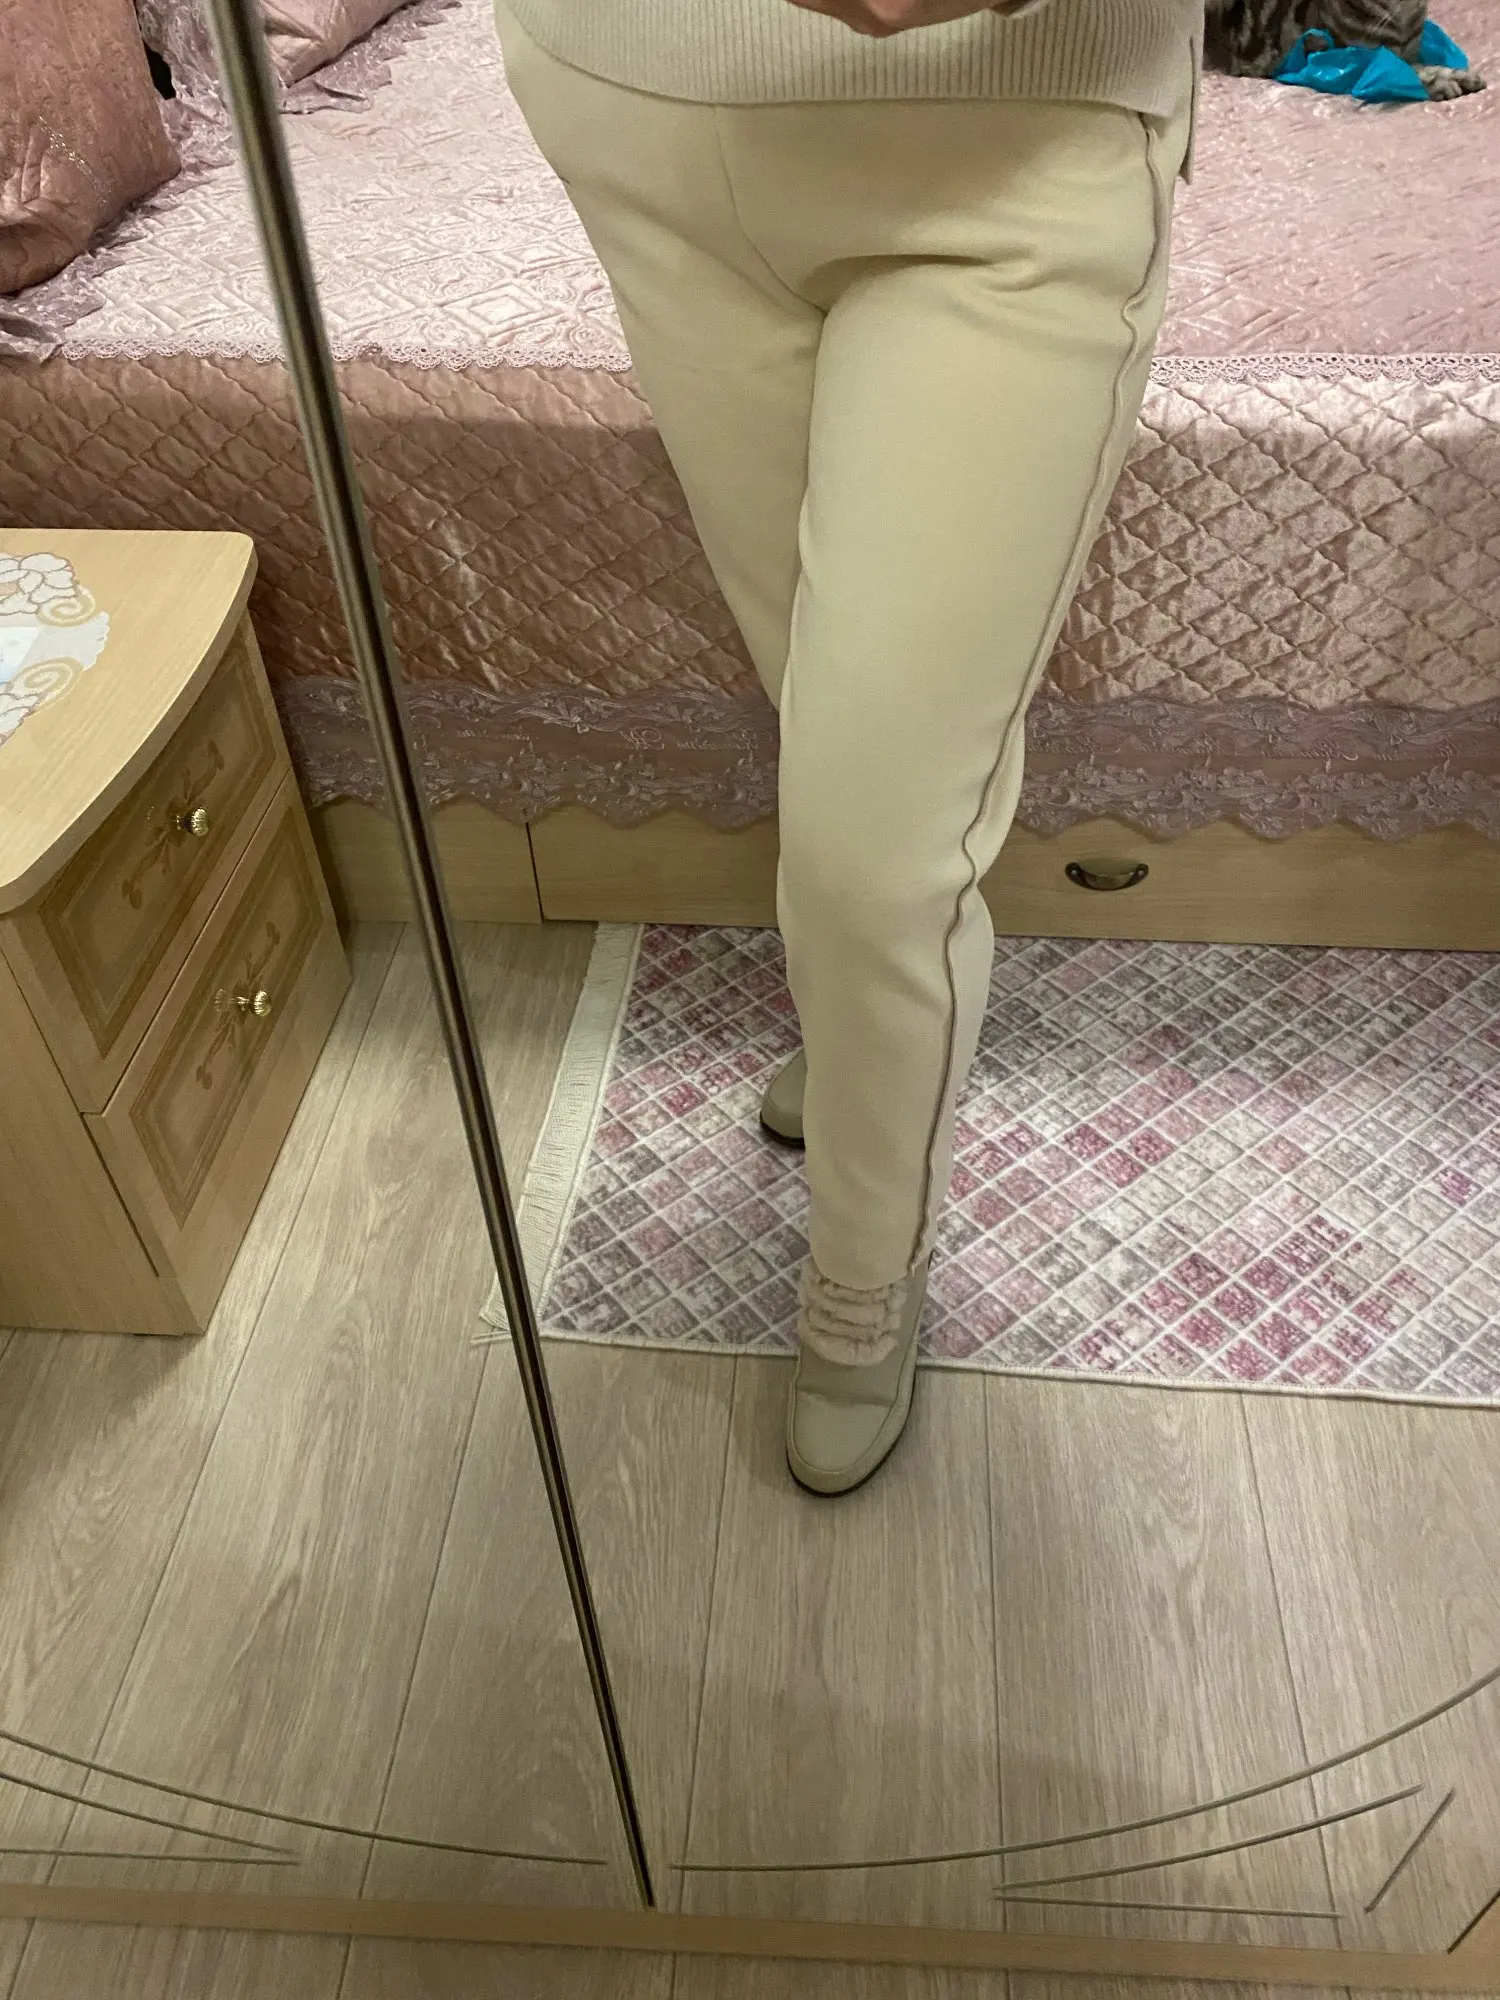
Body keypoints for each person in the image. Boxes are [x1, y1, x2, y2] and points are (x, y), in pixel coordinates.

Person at [494, 0, 1202, 1496]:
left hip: (1007, 132)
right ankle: (867, 1048)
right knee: (818, 708)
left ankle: (866, 1269)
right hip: (631, 99)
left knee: (880, 843)